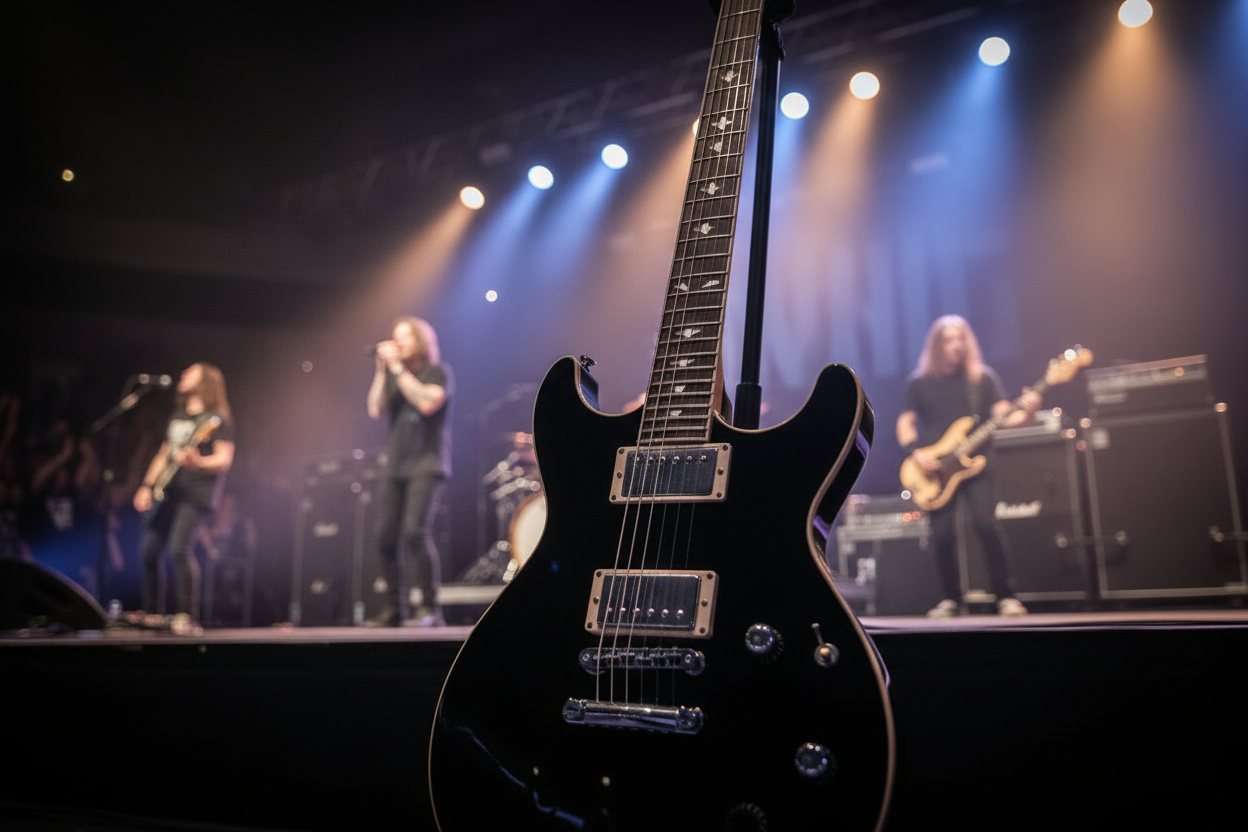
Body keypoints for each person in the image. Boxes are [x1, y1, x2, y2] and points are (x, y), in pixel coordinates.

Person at [896, 315, 1040, 618]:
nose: (956, 345)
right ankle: (951, 598)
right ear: (937, 345)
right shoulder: (919, 383)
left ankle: (1005, 596)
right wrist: (916, 452)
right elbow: (905, 423)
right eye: (949, 339)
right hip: (934, 469)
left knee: (986, 525)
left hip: (976, 463)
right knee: (943, 535)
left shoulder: (982, 379)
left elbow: (1006, 416)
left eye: (961, 338)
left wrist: (1027, 412)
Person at [133, 363, 234, 633]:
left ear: (205, 382)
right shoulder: (177, 417)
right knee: (149, 550)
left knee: (179, 548)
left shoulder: (216, 420)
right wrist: (146, 485)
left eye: (191, 372)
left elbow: (224, 459)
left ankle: (186, 615)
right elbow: (164, 454)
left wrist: (199, 463)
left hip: (196, 494)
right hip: (168, 493)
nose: (183, 375)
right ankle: (153, 612)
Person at [366, 317, 452, 627]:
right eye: (394, 338)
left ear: (420, 341)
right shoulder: (392, 375)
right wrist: (381, 370)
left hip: (426, 465)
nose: (397, 343)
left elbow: (428, 403)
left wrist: (399, 370)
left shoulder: (437, 372)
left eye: (404, 337)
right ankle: (394, 609)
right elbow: (375, 409)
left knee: (415, 532)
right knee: (384, 537)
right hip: (395, 466)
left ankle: (429, 609)